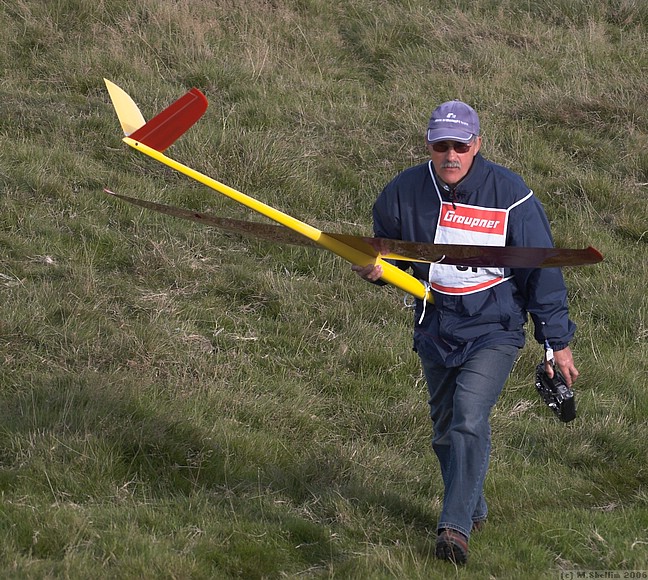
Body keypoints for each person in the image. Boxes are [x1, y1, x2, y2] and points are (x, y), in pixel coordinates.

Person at [352, 100, 579, 565]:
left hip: (494, 327)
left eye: (460, 145)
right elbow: (388, 250)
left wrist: (556, 342)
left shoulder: (511, 195)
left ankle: (453, 530)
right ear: (429, 145)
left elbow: (544, 273)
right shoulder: (403, 192)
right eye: (441, 145)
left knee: (469, 417)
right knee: (443, 432)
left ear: (477, 144)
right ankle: (472, 505)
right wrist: (375, 268)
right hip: (435, 325)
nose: (451, 154)